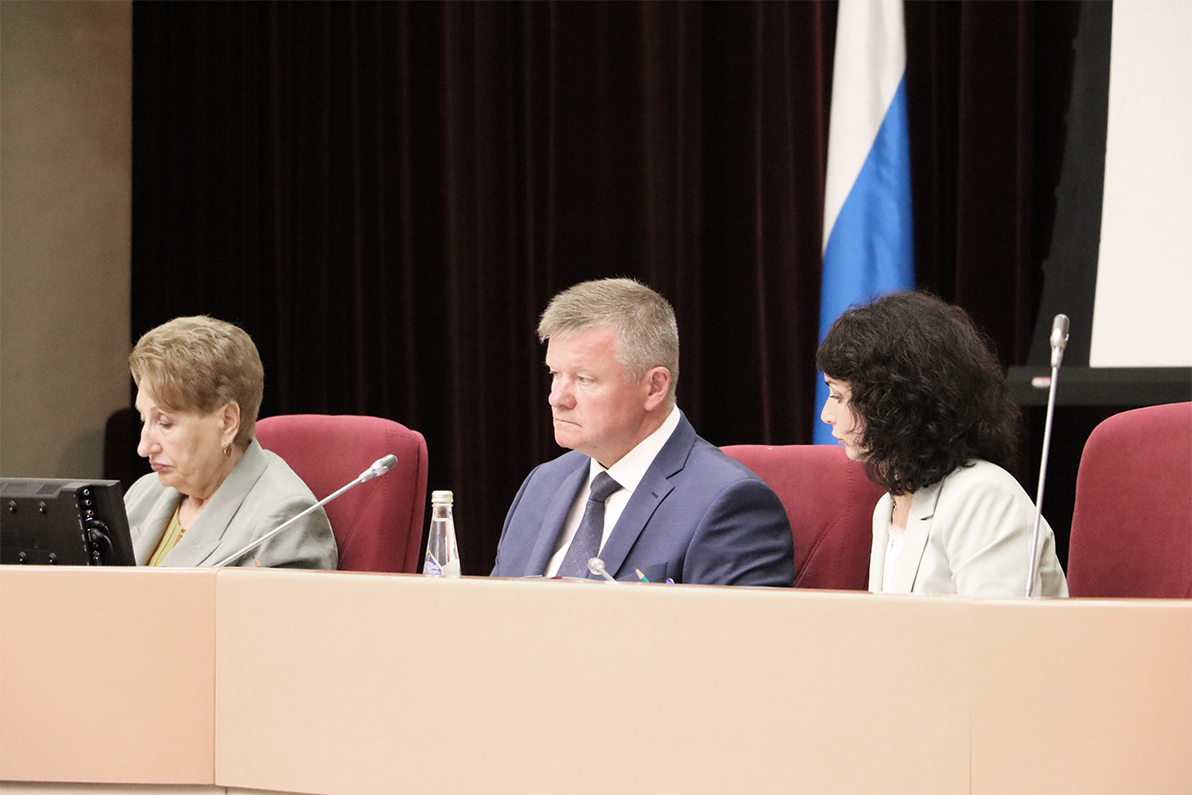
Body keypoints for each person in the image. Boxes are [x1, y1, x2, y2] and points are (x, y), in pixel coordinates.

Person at [491, 277, 794, 585]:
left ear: (654, 387)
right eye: (555, 374)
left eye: (584, 379)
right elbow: (492, 608)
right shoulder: (542, 484)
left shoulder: (729, 502)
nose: (557, 398)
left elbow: (736, 619)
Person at [816, 291, 1068, 597]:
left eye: (838, 396)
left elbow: (999, 627)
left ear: (895, 401)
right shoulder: (888, 506)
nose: (826, 415)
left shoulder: (984, 497)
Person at [123, 315, 338, 569]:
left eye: (165, 423)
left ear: (227, 422)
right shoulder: (143, 494)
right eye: (143, 419)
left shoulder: (284, 519)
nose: (143, 448)